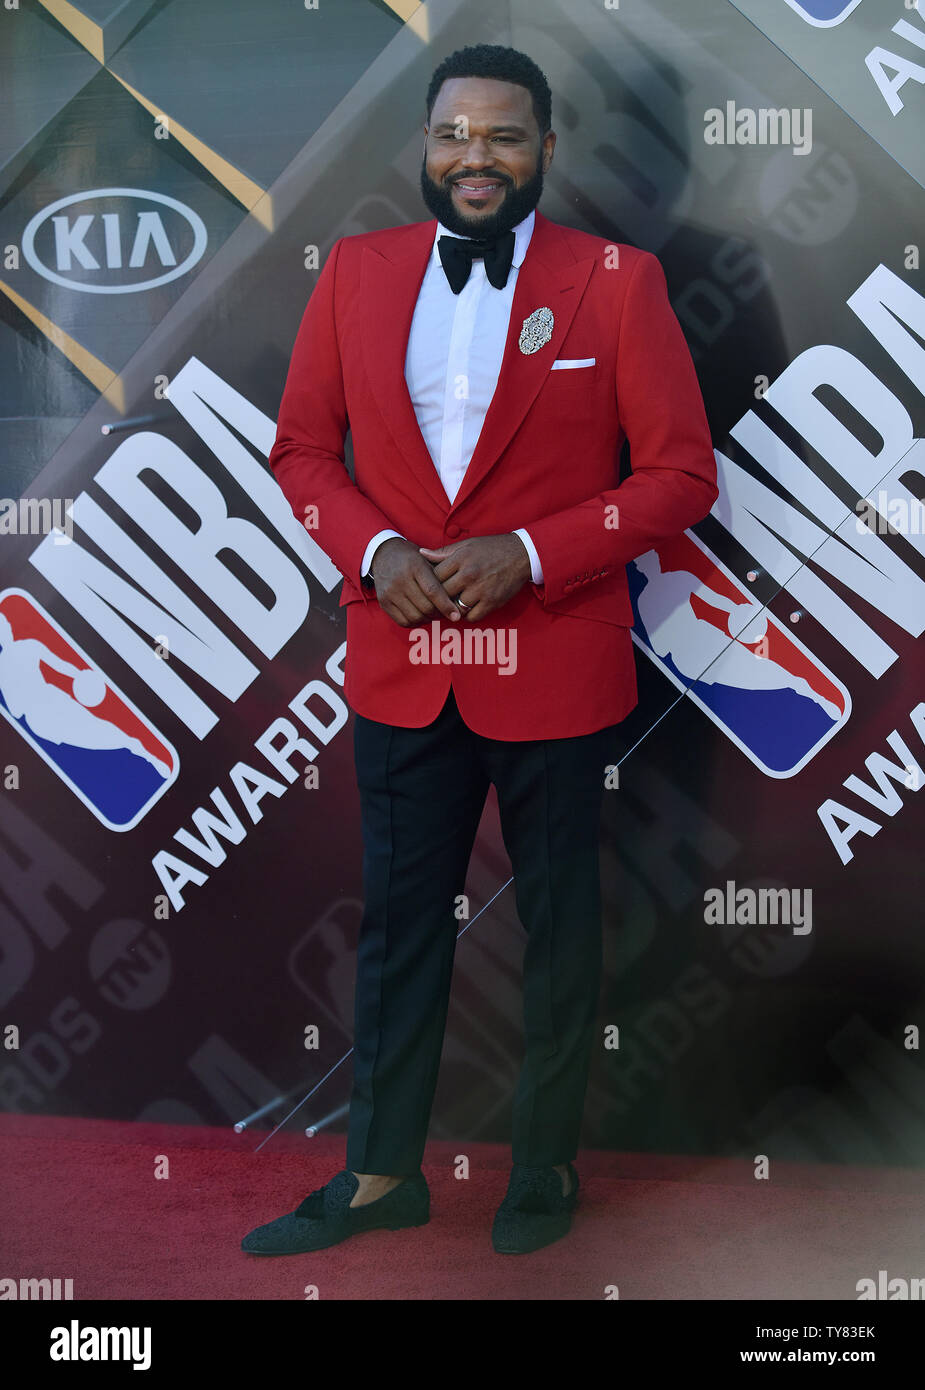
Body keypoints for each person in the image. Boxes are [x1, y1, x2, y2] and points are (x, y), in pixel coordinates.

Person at [242, 43, 717, 1259]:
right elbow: (300, 452)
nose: (475, 158)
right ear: (425, 140)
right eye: (456, 133)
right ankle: (380, 1173)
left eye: (505, 137)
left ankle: (544, 1163)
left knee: (558, 923)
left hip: (555, 649)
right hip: (403, 651)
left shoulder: (619, 281)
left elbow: (678, 475)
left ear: (546, 151)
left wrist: (531, 553)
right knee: (403, 921)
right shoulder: (353, 272)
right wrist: (376, 550)